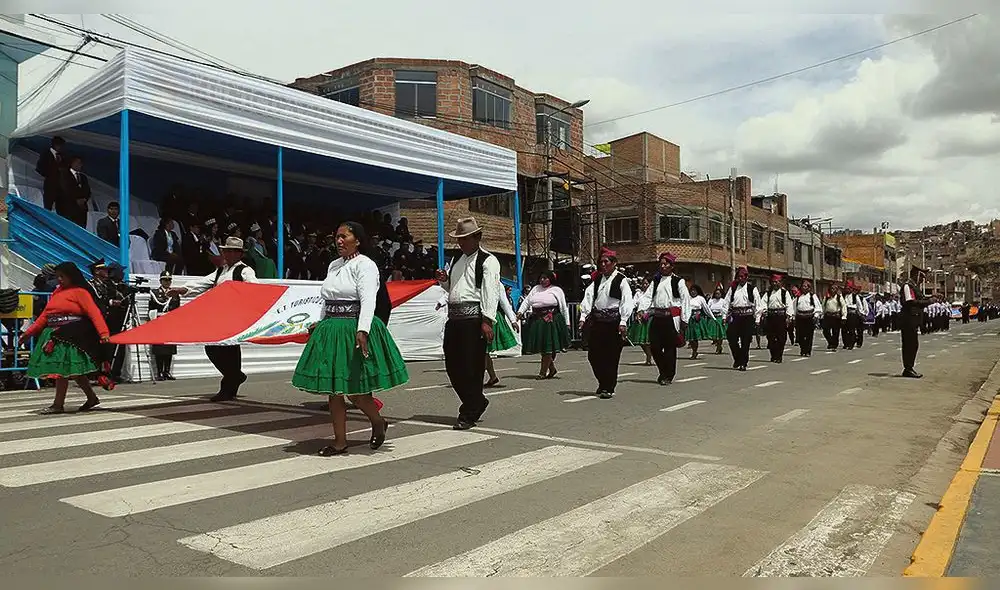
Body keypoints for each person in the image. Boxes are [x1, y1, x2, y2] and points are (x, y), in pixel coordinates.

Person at [291, 221, 406, 456]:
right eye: (337, 237)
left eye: (344, 236)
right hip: (332, 330)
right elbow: (327, 298)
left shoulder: (365, 265)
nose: (339, 241)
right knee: (334, 389)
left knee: (355, 390)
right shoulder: (334, 265)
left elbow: (368, 301)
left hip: (352, 327)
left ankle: (377, 420)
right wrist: (320, 322)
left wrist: (363, 330)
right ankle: (340, 441)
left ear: (358, 240)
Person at [169, 236, 257, 401]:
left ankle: (229, 386)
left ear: (239, 254)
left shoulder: (245, 270)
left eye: (232, 251)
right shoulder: (220, 271)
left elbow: (254, 288)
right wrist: (182, 290)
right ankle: (234, 377)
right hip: (219, 316)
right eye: (226, 251)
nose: (228, 254)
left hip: (234, 316)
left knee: (230, 351)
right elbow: (202, 284)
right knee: (213, 348)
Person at [434, 217, 500, 430]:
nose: (461, 243)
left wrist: (487, 320)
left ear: (476, 237)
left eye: (465, 238)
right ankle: (476, 401)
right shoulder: (457, 261)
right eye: (459, 239)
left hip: (474, 320)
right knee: (453, 366)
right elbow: (452, 289)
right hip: (454, 319)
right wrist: (443, 280)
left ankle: (469, 411)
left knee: (472, 367)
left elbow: (491, 291)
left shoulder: (487, 261)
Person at [22, 262, 113, 414]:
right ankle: (91, 398)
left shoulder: (80, 292)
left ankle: (58, 404)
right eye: (58, 276)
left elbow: (94, 313)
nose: (59, 280)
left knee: (62, 370)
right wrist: (29, 333)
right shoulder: (57, 292)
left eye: (62, 277)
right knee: (72, 371)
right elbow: (45, 315)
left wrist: (104, 333)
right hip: (54, 333)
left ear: (71, 277)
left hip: (71, 335)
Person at [578, 248, 634, 398]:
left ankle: (608, 387)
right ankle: (603, 382)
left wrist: (623, 321)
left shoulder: (621, 280)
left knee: (611, 356)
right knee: (593, 355)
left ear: (614, 263)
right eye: (601, 262)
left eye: (606, 262)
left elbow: (627, 301)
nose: (603, 264)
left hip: (613, 322)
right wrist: (583, 317)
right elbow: (588, 297)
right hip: (598, 322)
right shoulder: (597, 280)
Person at [639, 252, 690, 385]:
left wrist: (685, 319)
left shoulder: (678, 281)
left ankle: (668, 375)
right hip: (657, 317)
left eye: (665, 264)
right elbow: (647, 296)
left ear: (671, 266)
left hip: (671, 318)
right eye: (661, 264)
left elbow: (685, 300)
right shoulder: (655, 280)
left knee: (669, 348)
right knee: (655, 347)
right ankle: (663, 370)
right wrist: (641, 309)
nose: (663, 266)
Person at [517, 270, 571, 380]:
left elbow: (563, 307)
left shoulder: (556, 290)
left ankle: (542, 372)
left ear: (550, 279)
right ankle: (551, 368)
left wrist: (567, 323)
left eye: (545, 278)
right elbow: (527, 301)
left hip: (551, 320)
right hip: (538, 320)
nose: (543, 280)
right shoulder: (536, 289)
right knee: (542, 347)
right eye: (541, 278)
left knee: (548, 346)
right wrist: (520, 312)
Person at [723, 266, 765, 371]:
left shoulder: (752, 289)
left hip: (748, 317)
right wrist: (724, 316)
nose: (741, 278)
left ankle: (743, 363)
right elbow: (726, 302)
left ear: (746, 278)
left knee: (745, 341)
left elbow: (758, 305)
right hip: (735, 316)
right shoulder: (732, 288)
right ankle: (737, 358)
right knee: (731, 337)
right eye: (739, 276)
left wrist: (757, 319)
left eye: (743, 276)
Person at [147, 270, 181, 380]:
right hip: (159, 322)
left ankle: (167, 371)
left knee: (169, 348)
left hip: (170, 323)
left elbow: (177, 309)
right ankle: (160, 372)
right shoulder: (155, 293)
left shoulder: (174, 294)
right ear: (160, 281)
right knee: (159, 349)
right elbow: (151, 309)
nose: (167, 282)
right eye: (165, 280)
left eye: (169, 280)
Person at [484, 283, 519, 386]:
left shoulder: (497, 284)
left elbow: (504, 303)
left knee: (483, 351)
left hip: (491, 318)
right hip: (477, 317)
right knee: (483, 352)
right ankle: (492, 377)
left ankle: (480, 379)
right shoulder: (473, 280)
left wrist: (513, 320)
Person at [900, 268, 929, 378]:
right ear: (916, 275)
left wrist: (931, 299)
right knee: (909, 344)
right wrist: (927, 302)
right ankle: (908, 368)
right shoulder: (908, 286)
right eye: (921, 277)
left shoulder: (915, 287)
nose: (922, 280)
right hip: (908, 319)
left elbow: (919, 299)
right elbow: (910, 301)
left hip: (914, 319)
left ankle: (909, 367)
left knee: (913, 345)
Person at [684, 285, 724, 360]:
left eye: (694, 290)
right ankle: (693, 349)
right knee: (690, 338)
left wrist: (713, 318)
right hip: (689, 318)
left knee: (695, 336)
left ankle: (694, 351)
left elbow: (707, 309)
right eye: (691, 290)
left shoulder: (700, 299)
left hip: (697, 319)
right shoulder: (687, 298)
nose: (693, 292)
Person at [763, 274, 794, 363]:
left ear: (781, 283)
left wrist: (789, 316)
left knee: (781, 338)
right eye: (773, 282)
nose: (775, 283)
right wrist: (764, 312)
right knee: (771, 338)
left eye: (777, 282)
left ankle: (779, 356)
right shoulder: (768, 293)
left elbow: (789, 305)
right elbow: (763, 303)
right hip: (771, 317)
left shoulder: (785, 293)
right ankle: (773, 355)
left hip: (781, 317)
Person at [793, 280, 823, 356]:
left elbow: (818, 307)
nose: (804, 288)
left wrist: (816, 316)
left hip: (809, 317)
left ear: (809, 288)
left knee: (809, 335)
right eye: (803, 286)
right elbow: (794, 307)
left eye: (806, 286)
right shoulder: (798, 296)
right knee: (800, 335)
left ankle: (808, 351)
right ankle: (802, 350)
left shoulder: (812, 296)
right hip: (800, 317)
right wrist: (793, 316)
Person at [627, 279, 653, 365]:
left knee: (648, 339)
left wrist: (647, 313)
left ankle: (649, 357)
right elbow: (633, 304)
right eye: (643, 283)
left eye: (647, 283)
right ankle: (648, 355)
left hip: (649, 316)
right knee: (640, 340)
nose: (645, 285)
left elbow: (654, 305)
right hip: (639, 317)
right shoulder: (638, 294)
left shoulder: (653, 294)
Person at [822, 284, 847, 350]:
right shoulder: (827, 297)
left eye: (834, 289)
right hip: (828, 316)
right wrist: (822, 315)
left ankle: (834, 345)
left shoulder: (839, 297)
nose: (832, 290)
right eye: (831, 288)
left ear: (836, 290)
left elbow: (843, 306)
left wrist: (844, 316)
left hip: (836, 317)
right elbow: (823, 306)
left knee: (835, 332)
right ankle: (830, 342)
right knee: (825, 331)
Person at [706, 285, 729, 355]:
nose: (717, 295)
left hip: (720, 318)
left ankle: (719, 347)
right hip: (713, 318)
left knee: (720, 334)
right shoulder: (711, 301)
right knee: (713, 335)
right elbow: (708, 308)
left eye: (718, 293)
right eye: (716, 293)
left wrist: (724, 318)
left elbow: (725, 310)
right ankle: (716, 343)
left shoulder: (723, 301)